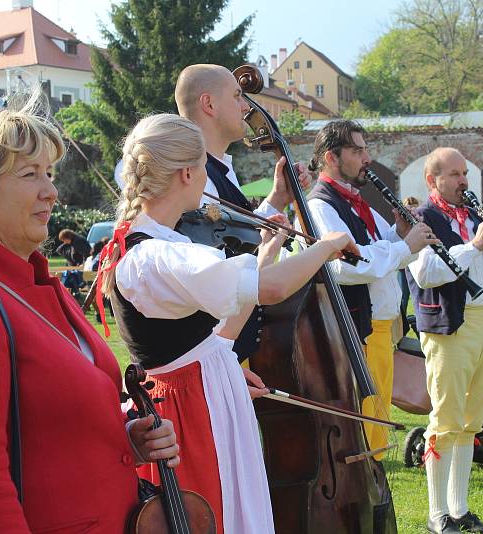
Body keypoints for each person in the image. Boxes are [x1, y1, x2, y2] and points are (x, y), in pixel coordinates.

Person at [0, 98, 179, 533]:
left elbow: (47, 428)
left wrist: (126, 439)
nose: (51, 190)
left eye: (49, 173)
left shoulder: (35, 283)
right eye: (29, 175)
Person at [98, 113, 359, 534]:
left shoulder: (168, 246)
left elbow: (210, 336)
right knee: (218, 515)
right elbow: (271, 290)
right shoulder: (156, 257)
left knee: (237, 511)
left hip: (207, 390)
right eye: (204, 166)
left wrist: (264, 260)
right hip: (190, 410)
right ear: (187, 172)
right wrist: (326, 247)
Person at [303, 120, 437, 458]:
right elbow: (346, 266)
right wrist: (405, 246)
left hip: (379, 331)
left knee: (377, 423)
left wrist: (400, 233)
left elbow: (380, 246)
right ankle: (368, 493)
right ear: (332, 157)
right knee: (363, 425)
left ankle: (376, 486)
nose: (367, 158)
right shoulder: (322, 205)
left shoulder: (354, 203)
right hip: (356, 331)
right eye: (358, 151)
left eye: (366, 149)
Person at [406, 147, 483, 534]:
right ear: (432, 180)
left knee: (471, 422)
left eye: (464, 174)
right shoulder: (422, 218)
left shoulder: (473, 215)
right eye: (453, 175)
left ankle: (460, 510)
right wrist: (473, 245)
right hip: (447, 328)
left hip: (482, 326)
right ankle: (437, 514)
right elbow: (426, 274)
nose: (463, 182)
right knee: (445, 421)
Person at [174, 63, 313, 363]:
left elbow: (232, 235)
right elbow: (218, 265)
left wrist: (277, 198)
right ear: (209, 104)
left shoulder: (218, 168)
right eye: (237, 96)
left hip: (232, 346)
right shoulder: (198, 176)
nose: (245, 107)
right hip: (215, 346)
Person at [56, 228, 91, 295]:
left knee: (73, 276)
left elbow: (86, 252)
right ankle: (71, 293)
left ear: (68, 237)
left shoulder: (77, 241)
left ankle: (75, 292)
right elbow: (59, 249)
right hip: (75, 264)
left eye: (64, 240)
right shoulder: (74, 241)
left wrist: (83, 263)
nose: (64, 242)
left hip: (81, 265)